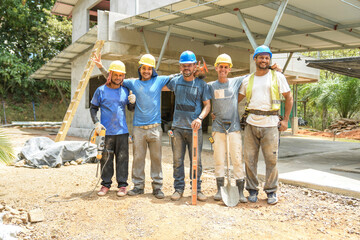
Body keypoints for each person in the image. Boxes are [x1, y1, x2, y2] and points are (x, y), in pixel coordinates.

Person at [92, 54, 172, 199]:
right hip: (138, 128)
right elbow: (114, 78)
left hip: (155, 128)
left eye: (149, 68)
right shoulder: (132, 83)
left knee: (156, 159)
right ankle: (138, 186)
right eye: (143, 68)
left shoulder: (159, 81)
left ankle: (157, 187)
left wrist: (194, 71)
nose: (146, 71)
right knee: (138, 159)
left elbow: (177, 78)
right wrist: (100, 66)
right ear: (139, 69)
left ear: (153, 69)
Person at [238, 45, 293, 205]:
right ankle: (253, 190)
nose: (264, 60)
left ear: (270, 60)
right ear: (255, 59)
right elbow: (237, 98)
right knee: (249, 159)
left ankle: (271, 191)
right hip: (251, 124)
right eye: (261, 57)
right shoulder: (248, 80)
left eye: (267, 58)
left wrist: (286, 120)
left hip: (271, 124)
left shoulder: (277, 77)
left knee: (271, 160)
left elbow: (289, 97)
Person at [166, 50, 211, 202]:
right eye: (184, 65)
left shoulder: (201, 84)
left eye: (189, 65)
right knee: (177, 160)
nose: (187, 68)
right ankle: (178, 189)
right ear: (180, 66)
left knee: (196, 161)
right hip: (177, 128)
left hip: (194, 130)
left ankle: (196, 189)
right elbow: (157, 84)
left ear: (194, 66)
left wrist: (199, 118)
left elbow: (207, 106)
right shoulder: (175, 81)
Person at [90, 60, 136, 197]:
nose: (118, 78)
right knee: (106, 158)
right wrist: (96, 122)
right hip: (106, 132)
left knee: (123, 158)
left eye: (121, 75)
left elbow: (131, 109)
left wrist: (133, 101)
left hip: (122, 131)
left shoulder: (126, 90)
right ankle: (105, 184)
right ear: (110, 74)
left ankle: (122, 185)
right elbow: (93, 108)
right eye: (116, 75)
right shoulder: (101, 90)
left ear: (123, 76)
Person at [207, 54, 247, 203]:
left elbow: (253, 74)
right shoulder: (211, 85)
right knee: (219, 159)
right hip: (218, 129)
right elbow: (203, 99)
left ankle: (240, 191)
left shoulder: (236, 82)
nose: (223, 69)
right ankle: (219, 189)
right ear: (216, 68)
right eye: (220, 66)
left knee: (236, 159)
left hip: (234, 128)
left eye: (226, 67)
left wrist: (272, 68)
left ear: (229, 69)